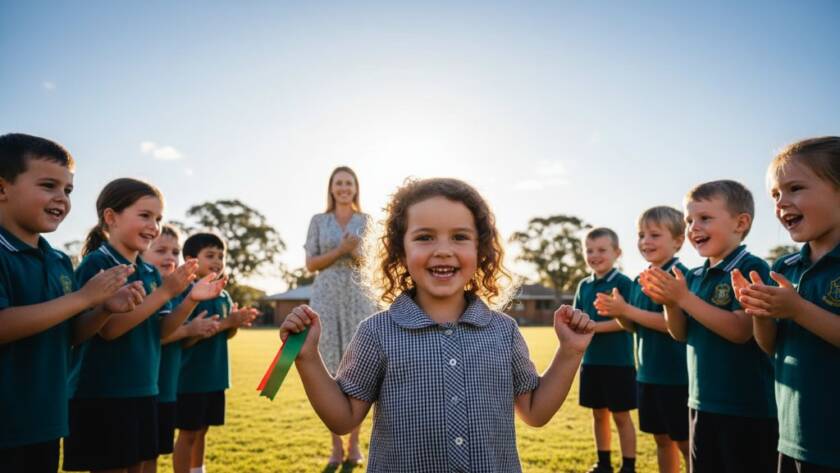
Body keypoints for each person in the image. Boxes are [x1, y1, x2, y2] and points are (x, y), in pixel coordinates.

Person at [281, 177, 596, 472]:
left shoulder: (503, 331)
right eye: (424, 237)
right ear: (399, 251)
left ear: (480, 249)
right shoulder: (376, 332)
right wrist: (307, 356)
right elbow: (343, 418)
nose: (443, 249)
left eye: (459, 237)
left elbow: (535, 412)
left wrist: (569, 351)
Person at [0, 133, 143, 473]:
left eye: (68, 190)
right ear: (2, 188)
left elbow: (69, 334)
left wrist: (103, 308)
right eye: (48, 185)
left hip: (46, 421)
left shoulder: (59, 261)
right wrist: (83, 297)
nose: (61, 199)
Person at [63, 178, 201, 473]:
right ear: (111, 217)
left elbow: (163, 332)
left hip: (143, 389)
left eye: (158, 218)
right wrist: (165, 292)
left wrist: (189, 300)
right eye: (145, 215)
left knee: (138, 466)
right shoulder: (96, 264)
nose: (154, 225)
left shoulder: (149, 271)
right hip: (104, 393)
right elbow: (110, 330)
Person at [641, 180, 777, 473]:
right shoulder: (693, 276)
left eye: (705, 218)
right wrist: (670, 302)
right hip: (701, 402)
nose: (693, 227)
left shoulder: (753, 268)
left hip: (745, 408)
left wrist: (683, 298)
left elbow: (741, 331)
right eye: (689, 220)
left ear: (740, 223)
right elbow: (679, 333)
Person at [732, 137, 840, 473]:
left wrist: (797, 309)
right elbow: (770, 347)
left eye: (794, 188)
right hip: (793, 436)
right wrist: (760, 312)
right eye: (775, 195)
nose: (782, 203)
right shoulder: (784, 268)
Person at [595, 207, 689, 473]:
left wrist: (627, 311)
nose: (646, 241)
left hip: (677, 377)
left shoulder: (682, 277)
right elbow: (633, 326)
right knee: (661, 439)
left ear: (678, 240)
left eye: (655, 235)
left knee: (685, 442)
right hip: (647, 375)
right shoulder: (639, 279)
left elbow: (672, 325)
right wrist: (618, 311)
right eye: (641, 235)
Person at [303, 166, 377, 465]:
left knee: (358, 366)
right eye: (339, 183)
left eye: (349, 183)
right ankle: (336, 445)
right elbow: (311, 264)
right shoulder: (318, 221)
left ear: (356, 187)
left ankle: (355, 444)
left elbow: (373, 263)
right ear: (331, 188)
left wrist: (355, 250)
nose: (344, 188)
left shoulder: (367, 221)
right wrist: (340, 250)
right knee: (330, 367)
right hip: (327, 295)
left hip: (359, 296)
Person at [140, 225, 224, 473]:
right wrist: (191, 329)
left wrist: (228, 324)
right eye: (161, 250)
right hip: (158, 386)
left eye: (174, 251)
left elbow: (176, 336)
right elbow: (155, 336)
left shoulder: (180, 293)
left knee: (151, 454)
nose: (170, 257)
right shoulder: (157, 288)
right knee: (140, 456)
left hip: (166, 388)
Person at [173, 232, 259, 473]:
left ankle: (198, 469)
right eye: (210, 255)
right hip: (190, 379)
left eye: (221, 256)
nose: (218, 261)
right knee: (188, 433)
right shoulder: (185, 294)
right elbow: (187, 338)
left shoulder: (223, 294)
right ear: (191, 260)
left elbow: (225, 334)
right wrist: (227, 321)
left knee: (203, 431)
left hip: (215, 376)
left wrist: (235, 322)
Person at [575, 227, 637, 473]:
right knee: (598, 415)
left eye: (602, 250)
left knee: (621, 416)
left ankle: (629, 466)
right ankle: (604, 463)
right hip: (591, 362)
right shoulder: (584, 285)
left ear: (617, 253)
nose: (595, 255)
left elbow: (630, 322)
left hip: (618, 363)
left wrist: (593, 328)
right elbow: (579, 316)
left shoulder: (623, 283)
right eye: (589, 250)